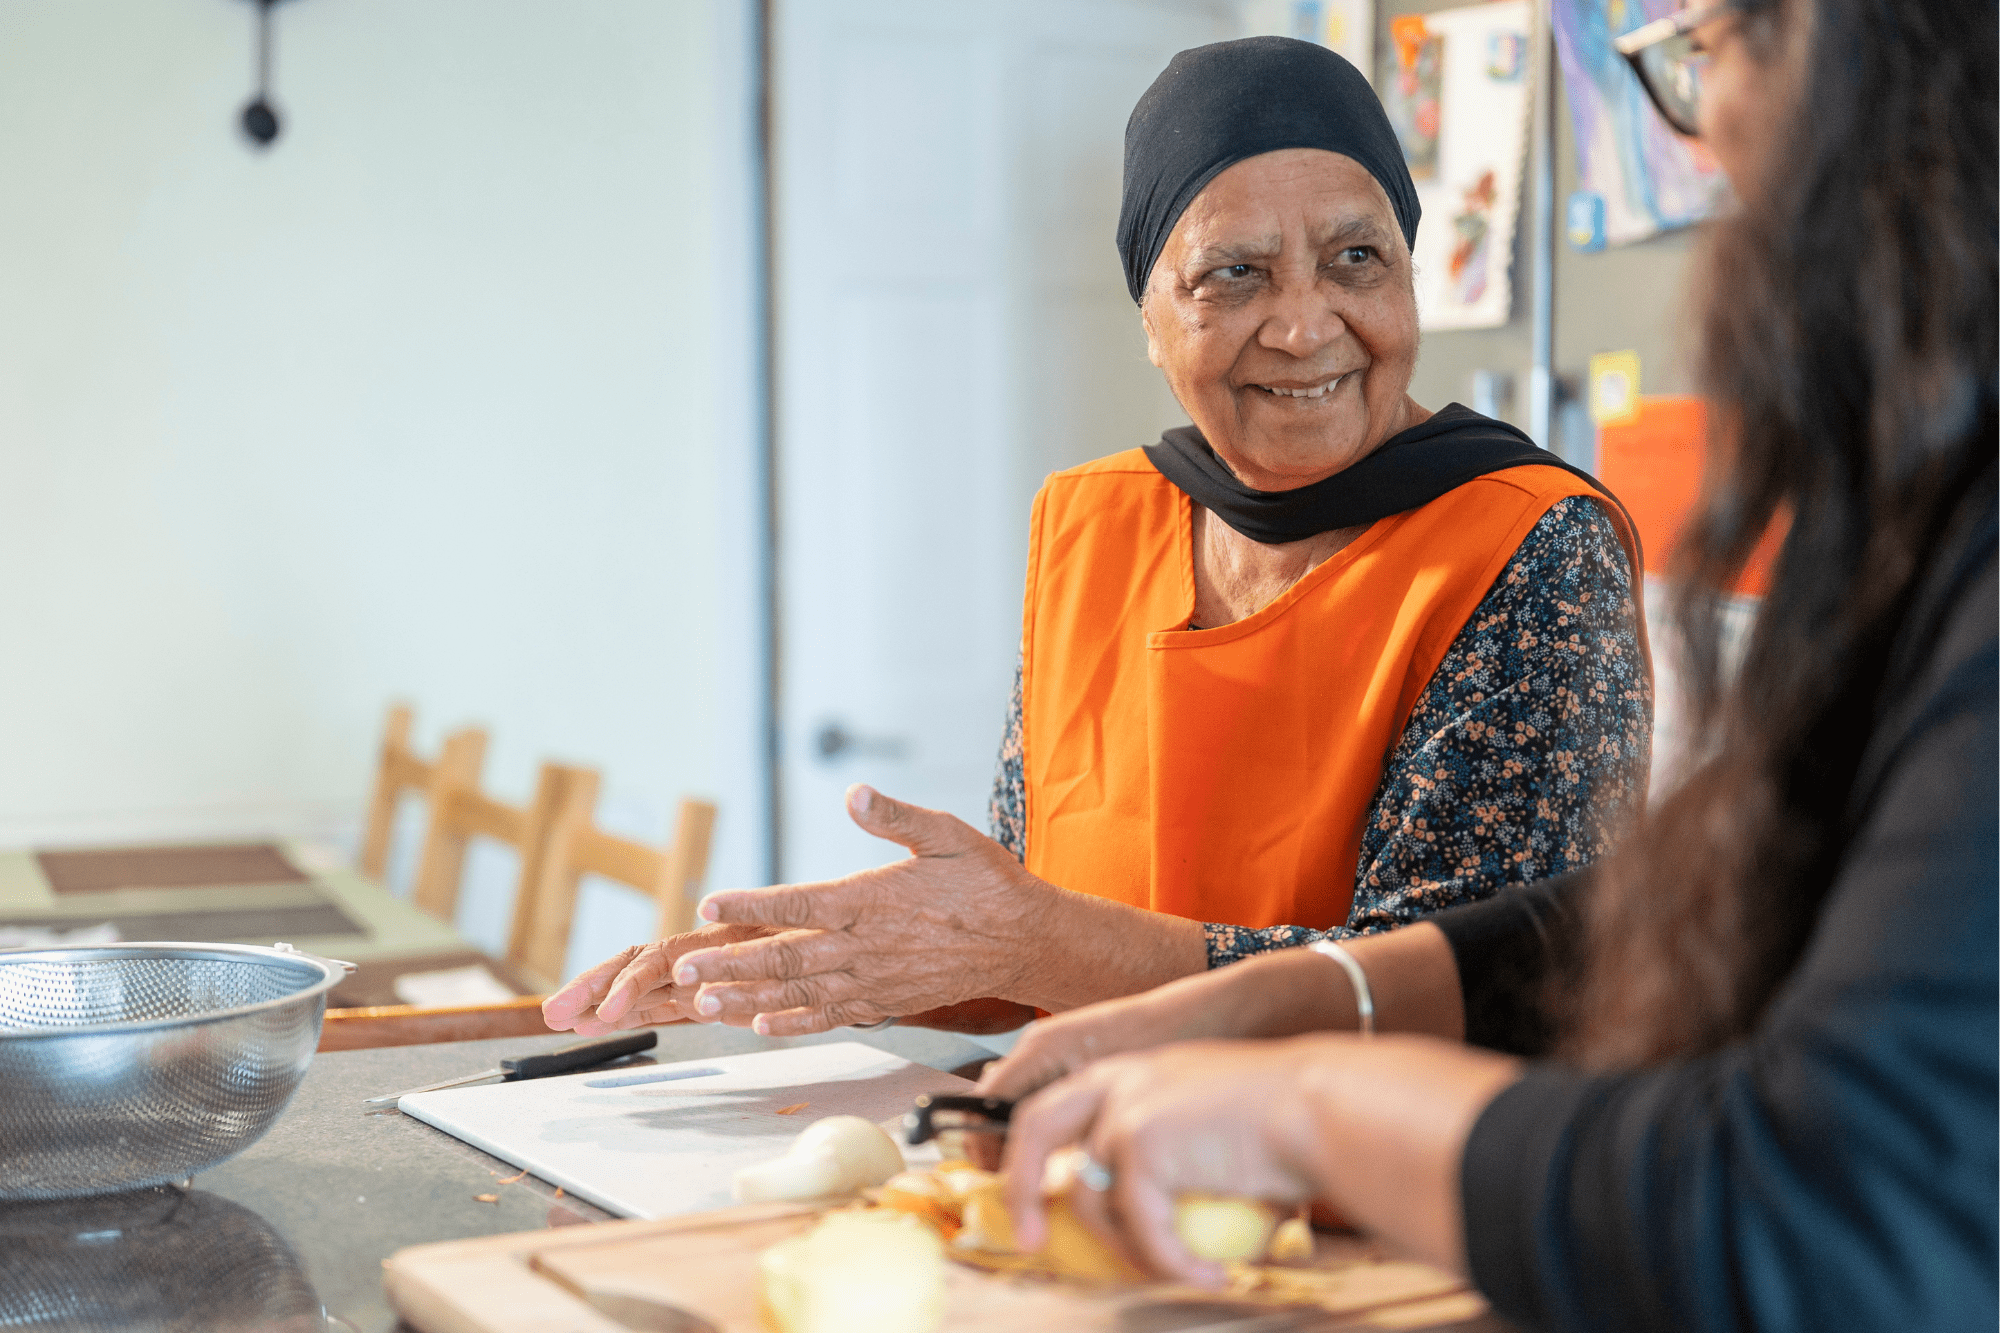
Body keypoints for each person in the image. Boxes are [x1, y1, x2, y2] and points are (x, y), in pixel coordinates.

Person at [975, 2, 1998, 1328]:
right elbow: (1627, 908)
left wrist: (1299, 1097)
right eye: (1233, 274)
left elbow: (1814, 1213)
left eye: (1718, 50)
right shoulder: (1928, 536)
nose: (1712, 140)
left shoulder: (1530, 540)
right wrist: (1274, 1006)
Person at [545, 38, 1651, 1041]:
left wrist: (1027, 940)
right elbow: (1033, 924)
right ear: (1151, 320)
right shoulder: (1092, 524)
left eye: (1355, 257)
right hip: (1096, 1167)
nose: (1306, 323)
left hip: (1369, 1215)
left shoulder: (1525, 549)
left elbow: (1465, 997)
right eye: (1234, 273)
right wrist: (825, 960)